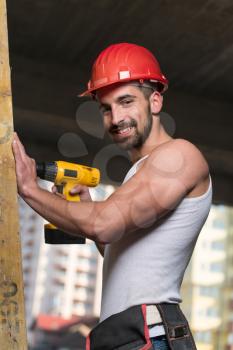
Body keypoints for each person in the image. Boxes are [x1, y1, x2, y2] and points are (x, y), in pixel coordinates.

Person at [12, 43, 212, 350]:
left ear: (155, 100)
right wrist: (89, 212)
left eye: (126, 101)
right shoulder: (141, 172)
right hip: (122, 333)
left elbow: (104, 224)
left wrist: (29, 189)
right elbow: (126, 253)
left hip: (149, 332)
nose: (116, 117)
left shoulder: (179, 157)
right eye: (106, 108)